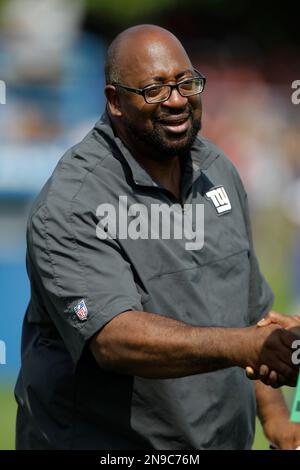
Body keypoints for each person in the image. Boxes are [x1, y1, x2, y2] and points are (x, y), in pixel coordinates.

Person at [15, 24, 300, 450]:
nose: (177, 100)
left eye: (187, 83)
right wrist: (246, 346)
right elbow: (114, 339)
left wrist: (278, 421)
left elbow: (250, 314)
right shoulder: (73, 201)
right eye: (155, 89)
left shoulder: (217, 169)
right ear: (115, 101)